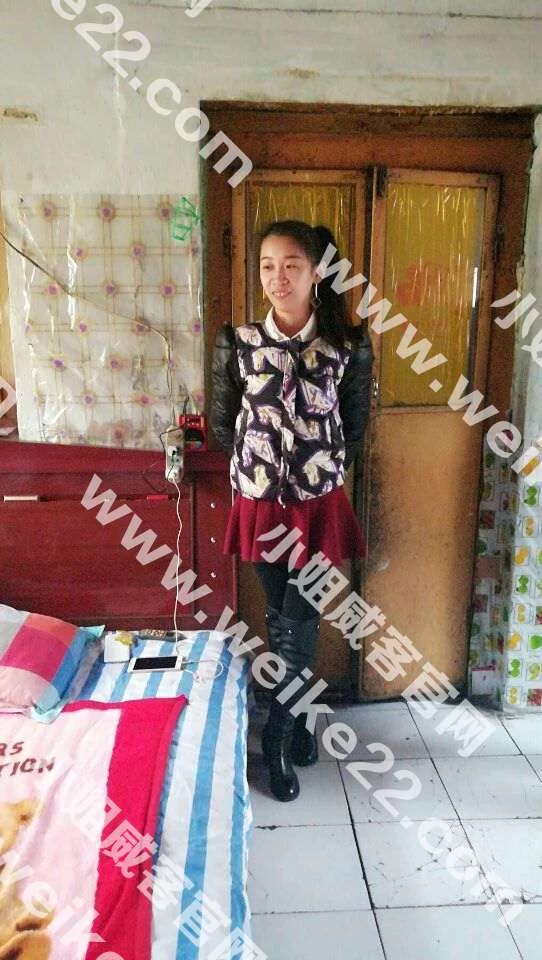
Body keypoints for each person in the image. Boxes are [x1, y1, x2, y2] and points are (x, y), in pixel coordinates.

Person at [211, 220, 373, 801]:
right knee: (284, 619)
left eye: (291, 265)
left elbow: (355, 428)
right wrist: (261, 469)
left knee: (297, 621)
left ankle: (277, 736)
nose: (278, 278)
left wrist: (311, 469)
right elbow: (222, 425)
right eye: (267, 266)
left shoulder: (347, 346)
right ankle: (300, 719)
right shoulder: (238, 342)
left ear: (317, 272)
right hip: (259, 507)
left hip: (316, 508)